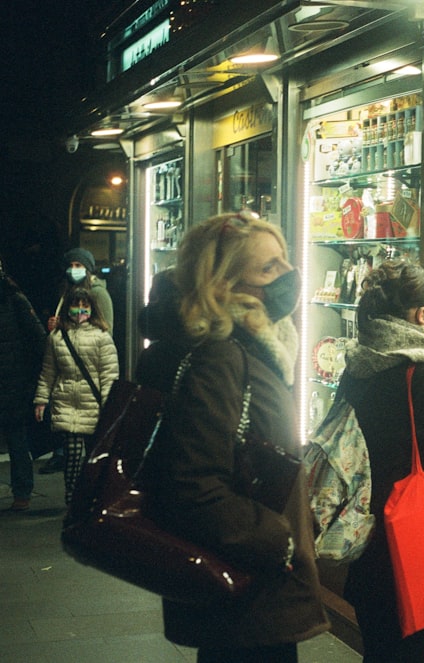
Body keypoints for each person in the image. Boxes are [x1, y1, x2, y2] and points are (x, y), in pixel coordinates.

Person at [134, 212, 329, 663]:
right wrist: (279, 541)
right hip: (247, 589)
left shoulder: (254, 347)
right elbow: (193, 484)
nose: (287, 275)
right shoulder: (221, 356)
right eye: (267, 269)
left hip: (256, 585)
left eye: (283, 260)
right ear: (223, 284)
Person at [338, 259, 424, 662]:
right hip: (408, 550)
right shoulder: (419, 375)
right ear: (422, 315)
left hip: (365, 542)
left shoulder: (358, 363)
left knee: (378, 652)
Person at [33, 288, 118, 506]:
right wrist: (41, 400)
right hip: (66, 402)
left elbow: (108, 375)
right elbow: (48, 371)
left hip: (93, 404)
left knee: (93, 457)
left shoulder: (102, 337)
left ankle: (91, 495)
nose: (80, 310)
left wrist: (108, 405)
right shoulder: (57, 337)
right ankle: (72, 497)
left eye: (85, 306)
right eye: (76, 305)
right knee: (72, 455)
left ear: (92, 308)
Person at [39, 247, 114, 474]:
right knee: (72, 452)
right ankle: (73, 494)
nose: (74, 270)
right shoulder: (66, 292)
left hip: (89, 379)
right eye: (71, 266)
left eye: (78, 266)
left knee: (92, 449)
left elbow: (105, 330)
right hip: (69, 382)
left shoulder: (98, 294)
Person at [0, 261, 47, 511]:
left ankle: (22, 492)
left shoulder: (13, 298)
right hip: (14, 379)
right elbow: (37, 337)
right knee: (17, 437)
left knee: (17, 436)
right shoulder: (14, 296)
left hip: (12, 380)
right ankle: (22, 493)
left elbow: (37, 337)